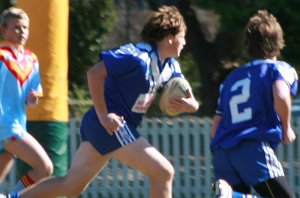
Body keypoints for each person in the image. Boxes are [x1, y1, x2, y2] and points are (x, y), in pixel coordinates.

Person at [9, 5, 199, 198]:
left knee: (70, 186)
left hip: (109, 127)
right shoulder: (137, 56)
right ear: (169, 37)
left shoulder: (170, 65)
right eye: (182, 36)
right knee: (163, 172)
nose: (184, 42)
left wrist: (191, 105)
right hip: (111, 125)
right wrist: (104, 115)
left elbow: (190, 99)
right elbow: (94, 73)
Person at [210, 10, 297, 198]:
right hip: (252, 147)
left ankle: (233, 195)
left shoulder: (231, 79)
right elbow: (281, 94)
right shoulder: (280, 68)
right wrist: (286, 126)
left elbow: (216, 124)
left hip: (223, 152)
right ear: (278, 42)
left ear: (247, 45)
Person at [0, 7, 53, 192]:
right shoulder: (1, 55)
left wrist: (32, 98)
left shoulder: (32, 59)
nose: (22, 32)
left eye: (25, 27)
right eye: (16, 27)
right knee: (45, 167)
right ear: (3, 30)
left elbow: (33, 95)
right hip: (6, 125)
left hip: (18, 123)